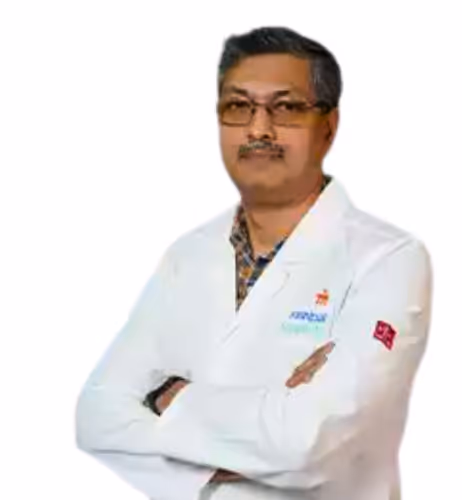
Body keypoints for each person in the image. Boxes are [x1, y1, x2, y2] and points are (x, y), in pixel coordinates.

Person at [76, 26, 432, 500]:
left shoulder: (388, 260)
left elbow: (312, 444)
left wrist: (168, 398)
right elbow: (96, 417)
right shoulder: (188, 255)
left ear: (328, 126)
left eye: (285, 108)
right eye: (238, 106)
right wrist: (264, 424)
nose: (258, 129)